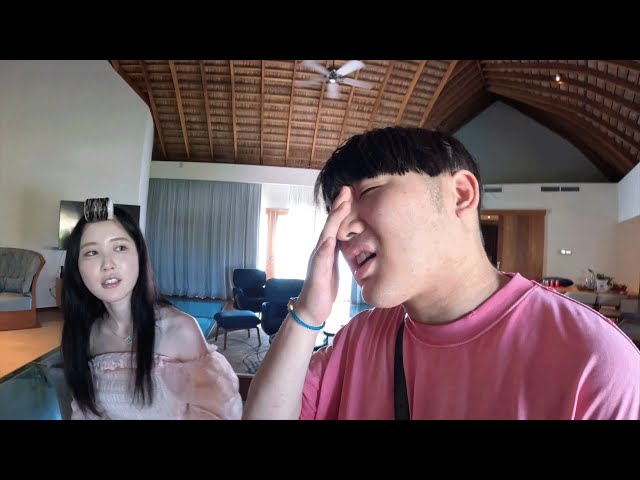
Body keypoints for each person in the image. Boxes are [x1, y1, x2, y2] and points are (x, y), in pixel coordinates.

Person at [243, 126, 640, 420]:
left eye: (368, 192)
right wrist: (308, 313)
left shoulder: (593, 361)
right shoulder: (358, 339)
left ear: (461, 194)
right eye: (336, 210)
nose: (341, 229)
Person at [62, 197, 242, 420]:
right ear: (77, 266)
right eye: (92, 252)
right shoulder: (88, 335)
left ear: (139, 255)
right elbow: (86, 412)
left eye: (120, 247)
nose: (107, 264)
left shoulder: (180, 329)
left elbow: (219, 412)